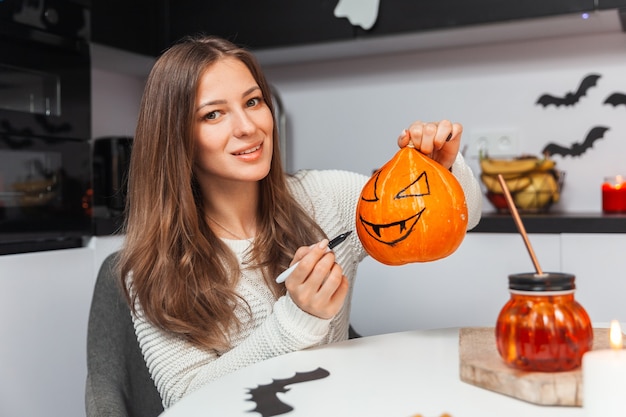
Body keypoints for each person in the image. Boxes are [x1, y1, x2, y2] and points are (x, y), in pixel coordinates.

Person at [117, 34, 482, 408]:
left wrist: (443, 172)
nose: (247, 126)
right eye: (213, 114)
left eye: (253, 102)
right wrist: (297, 319)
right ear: (176, 137)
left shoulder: (325, 197)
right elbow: (185, 401)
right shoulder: (154, 265)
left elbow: (460, 217)